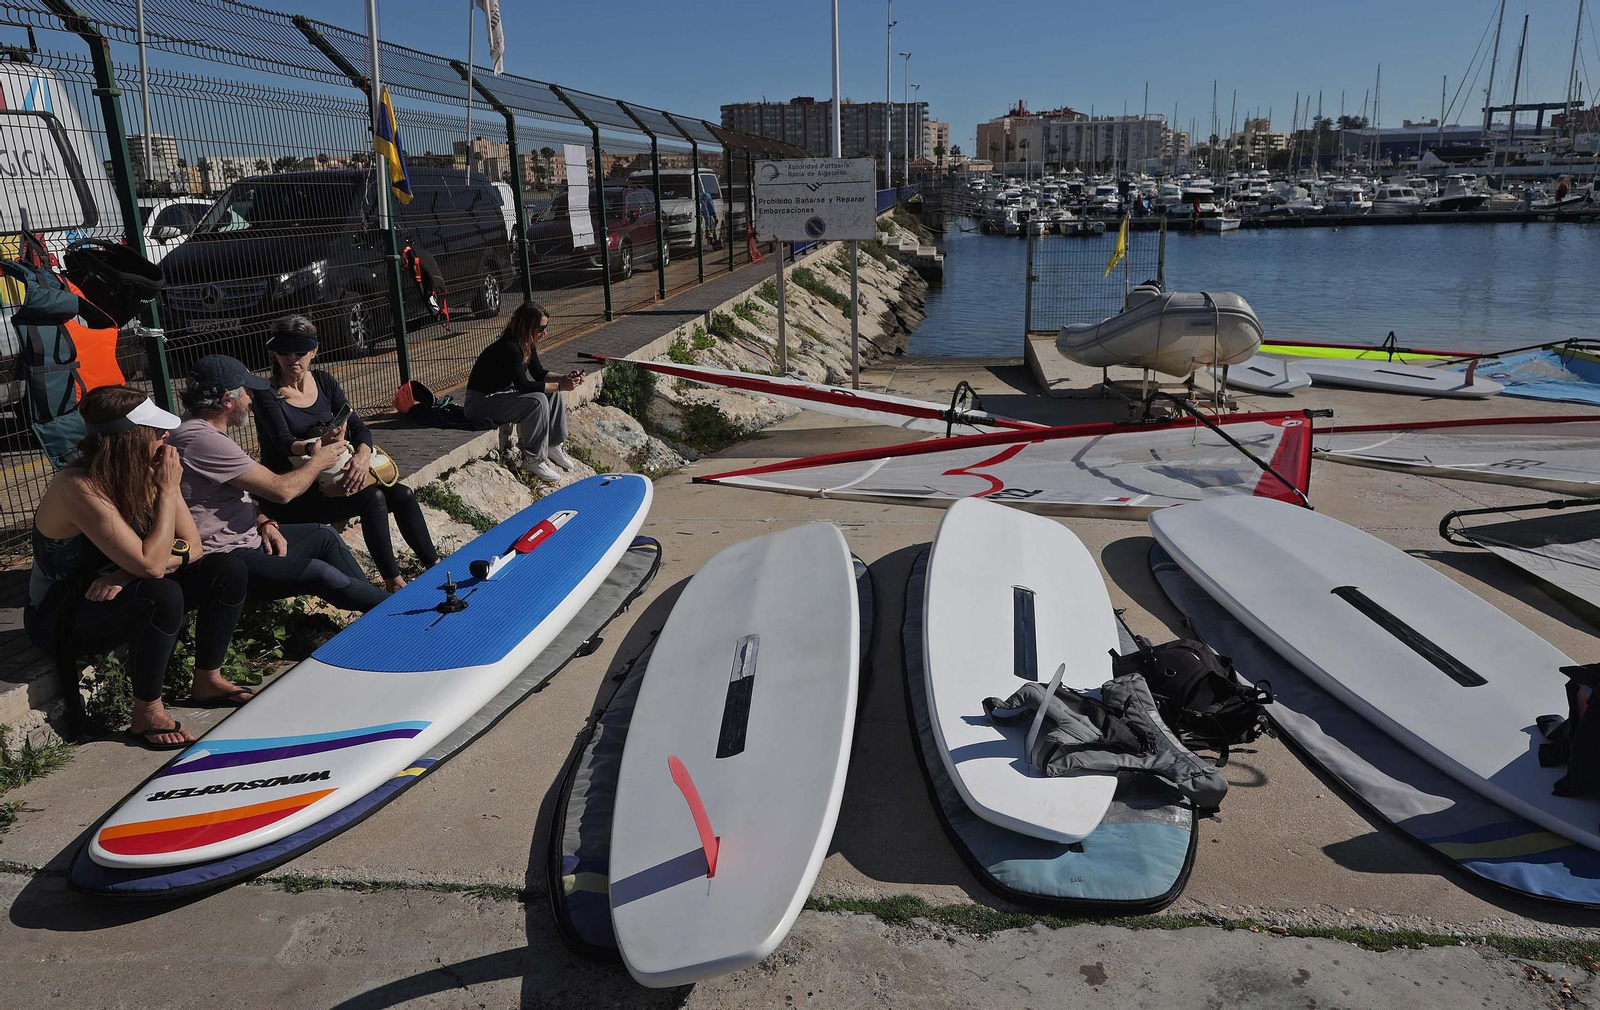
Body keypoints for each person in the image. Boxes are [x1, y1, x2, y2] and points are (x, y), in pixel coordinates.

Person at [25, 386, 251, 750]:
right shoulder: (78, 486)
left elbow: (193, 547)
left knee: (226, 569)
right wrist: (164, 495)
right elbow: (151, 565)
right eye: (156, 430)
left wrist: (126, 572)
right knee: (161, 593)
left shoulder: (151, 468)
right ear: (129, 439)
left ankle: (207, 679)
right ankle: (146, 712)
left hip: (115, 591)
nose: (167, 435)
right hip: (61, 614)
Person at [168, 352, 390, 613]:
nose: (251, 399)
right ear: (228, 400)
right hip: (226, 558)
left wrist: (264, 522)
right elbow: (282, 491)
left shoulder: (197, 430)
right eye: (247, 392)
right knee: (318, 574)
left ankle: (375, 614)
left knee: (324, 535)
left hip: (248, 538)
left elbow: (237, 492)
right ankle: (393, 613)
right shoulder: (203, 440)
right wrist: (318, 461)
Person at [252, 316, 438, 591]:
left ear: (314, 351)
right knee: (372, 498)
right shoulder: (266, 393)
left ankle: (435, 565)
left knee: (403, 494)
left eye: (300, 353)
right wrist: (315, 448)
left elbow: (359, 427)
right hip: (299, 487)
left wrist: (362, 456)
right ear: (274, 354)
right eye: (284, 353)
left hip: (336, 473)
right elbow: (283, 442)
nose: (292, 359)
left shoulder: (325, 382)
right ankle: (393, 581)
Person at [463, 301, 585, 482]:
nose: (545, 333)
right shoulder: (510, 347)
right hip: (479, 403)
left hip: (499, 394)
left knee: (552, 394)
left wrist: (564, 379)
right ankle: (532, 459)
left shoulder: (527, 343)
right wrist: (561, 385)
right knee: (537, 401)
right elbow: (524, 385)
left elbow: (539, 374)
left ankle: (553, 444)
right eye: (542, 328)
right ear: (528, 327)